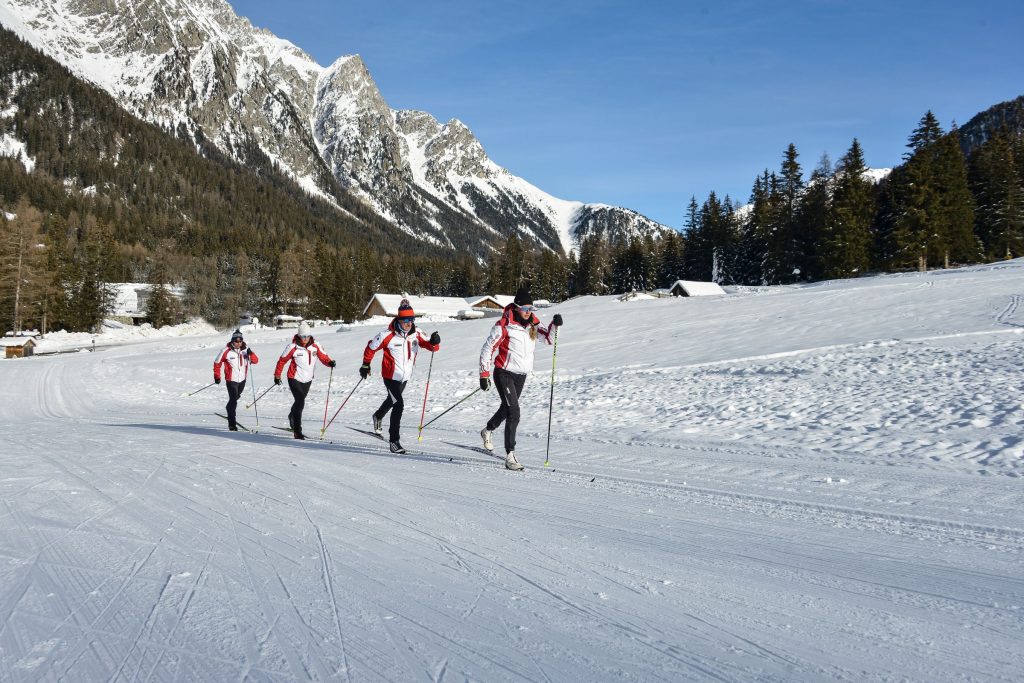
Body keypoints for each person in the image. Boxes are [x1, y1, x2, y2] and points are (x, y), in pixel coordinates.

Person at [479, 287, 563, 470]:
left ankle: (487, 430)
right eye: (525, 308)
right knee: (514, 412)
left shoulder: (533, 323)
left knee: (507, 408)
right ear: (516, 307)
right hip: (504, 372)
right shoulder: (504, 324)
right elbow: (487, 349)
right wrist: (484, 374)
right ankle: (510, 455)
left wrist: (555, 326)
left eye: (530, 309)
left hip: (521, 374)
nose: (528, 312)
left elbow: (548, 339)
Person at [361, 299, 440, 454]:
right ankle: (394, 441)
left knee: (392, 400)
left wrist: (435, 342)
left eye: (411, 320)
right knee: (399, 404)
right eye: (405, 320)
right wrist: (365, 365)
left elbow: (432, 347)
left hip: (405, 377)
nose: (408, 323)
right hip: (390, 377)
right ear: (398, 320)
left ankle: (378, 416)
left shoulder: (417, 334)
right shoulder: (387, 335)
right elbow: (371, 348)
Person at [273, 321, 335, 439]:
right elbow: (282, 361)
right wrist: (277, 376)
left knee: (298, 402)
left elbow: (324, 357)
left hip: (308, 379)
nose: (305, 338)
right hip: (294, 378)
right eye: (303, 336)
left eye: (307, 336)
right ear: (299, 335)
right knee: (300, 402)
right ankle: (297, 430)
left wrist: (330, 363)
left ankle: (292, 416)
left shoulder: (315, 345)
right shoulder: (292, 347)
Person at [213, 329, 258, 431]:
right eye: (236, 341)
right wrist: (217, 376)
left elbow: (255, 361)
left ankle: (229, 408)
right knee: (233, 401)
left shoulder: (245, 350)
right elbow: (217, 363)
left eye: (240, 341)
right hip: (231, 380)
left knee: (236, 397)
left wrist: (251, 354)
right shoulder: (226, 351)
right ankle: (232, 424)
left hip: (242, 380)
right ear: (232, 341)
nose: (238, 343)